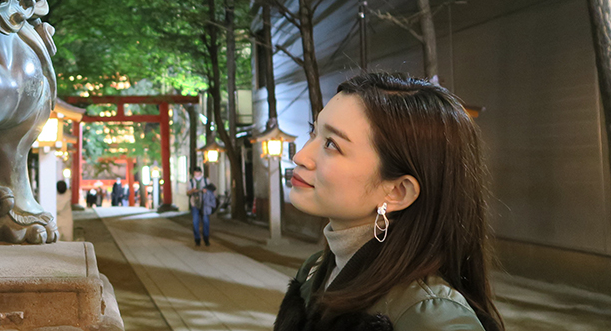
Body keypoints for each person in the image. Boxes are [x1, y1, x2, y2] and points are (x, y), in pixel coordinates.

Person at [273, 73, 503, 331]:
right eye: (312, 132)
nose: (301, 156)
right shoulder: (315, 270)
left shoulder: (430, 316)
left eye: (331, 144)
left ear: (397, 192)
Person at [187, 166, 216, 246]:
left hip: (205, 203)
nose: (197, 174)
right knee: (195, 221)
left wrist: (206, 190)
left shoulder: (206, 180)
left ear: (201, 173)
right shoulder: (191, 181)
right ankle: (197, 239)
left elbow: (211, 189)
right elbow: (188, 192)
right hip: (195, 203)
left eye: (198, 173)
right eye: (196, 173)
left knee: (206, 221)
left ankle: (206, 238)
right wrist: (192, 190)